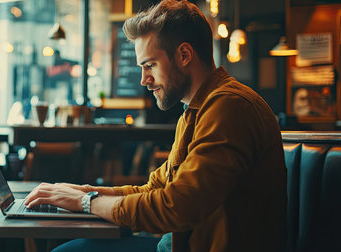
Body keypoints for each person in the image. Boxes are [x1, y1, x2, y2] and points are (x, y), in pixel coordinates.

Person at [24, 1, 287, 251]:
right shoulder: (195, 110)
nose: (144, 80)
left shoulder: (229, 107)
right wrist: (85, 191)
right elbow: (155, 189)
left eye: (150, 65)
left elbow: (177, 206)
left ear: (184, 55)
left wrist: (85, 203)